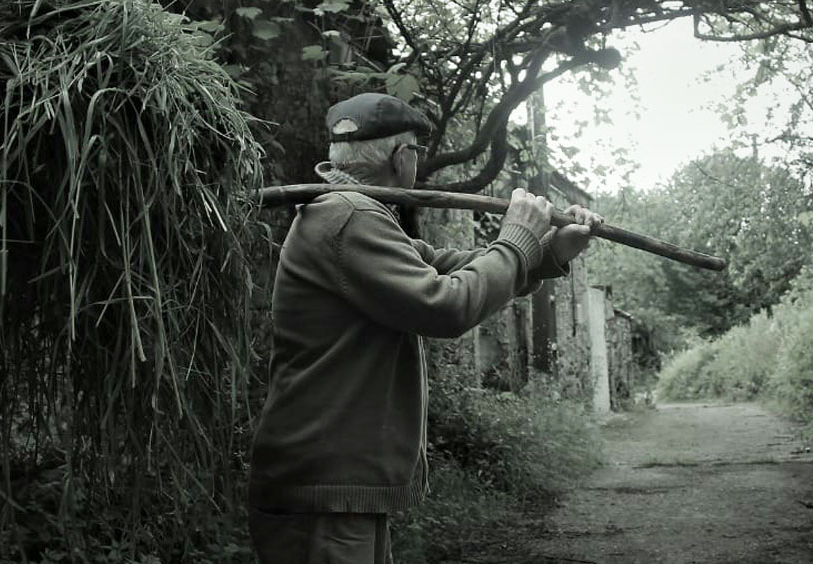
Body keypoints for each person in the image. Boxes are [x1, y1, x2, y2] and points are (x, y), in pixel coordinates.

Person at [247, 92, 603, 563]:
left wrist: (548, 250)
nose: (416, 158)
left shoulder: (353, 213)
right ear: (401, 157)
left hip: (336, 481)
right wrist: (516, 242)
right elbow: (446, 304)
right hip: (326, 486)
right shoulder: (348, 216)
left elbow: (439, 266)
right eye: (415, 149)